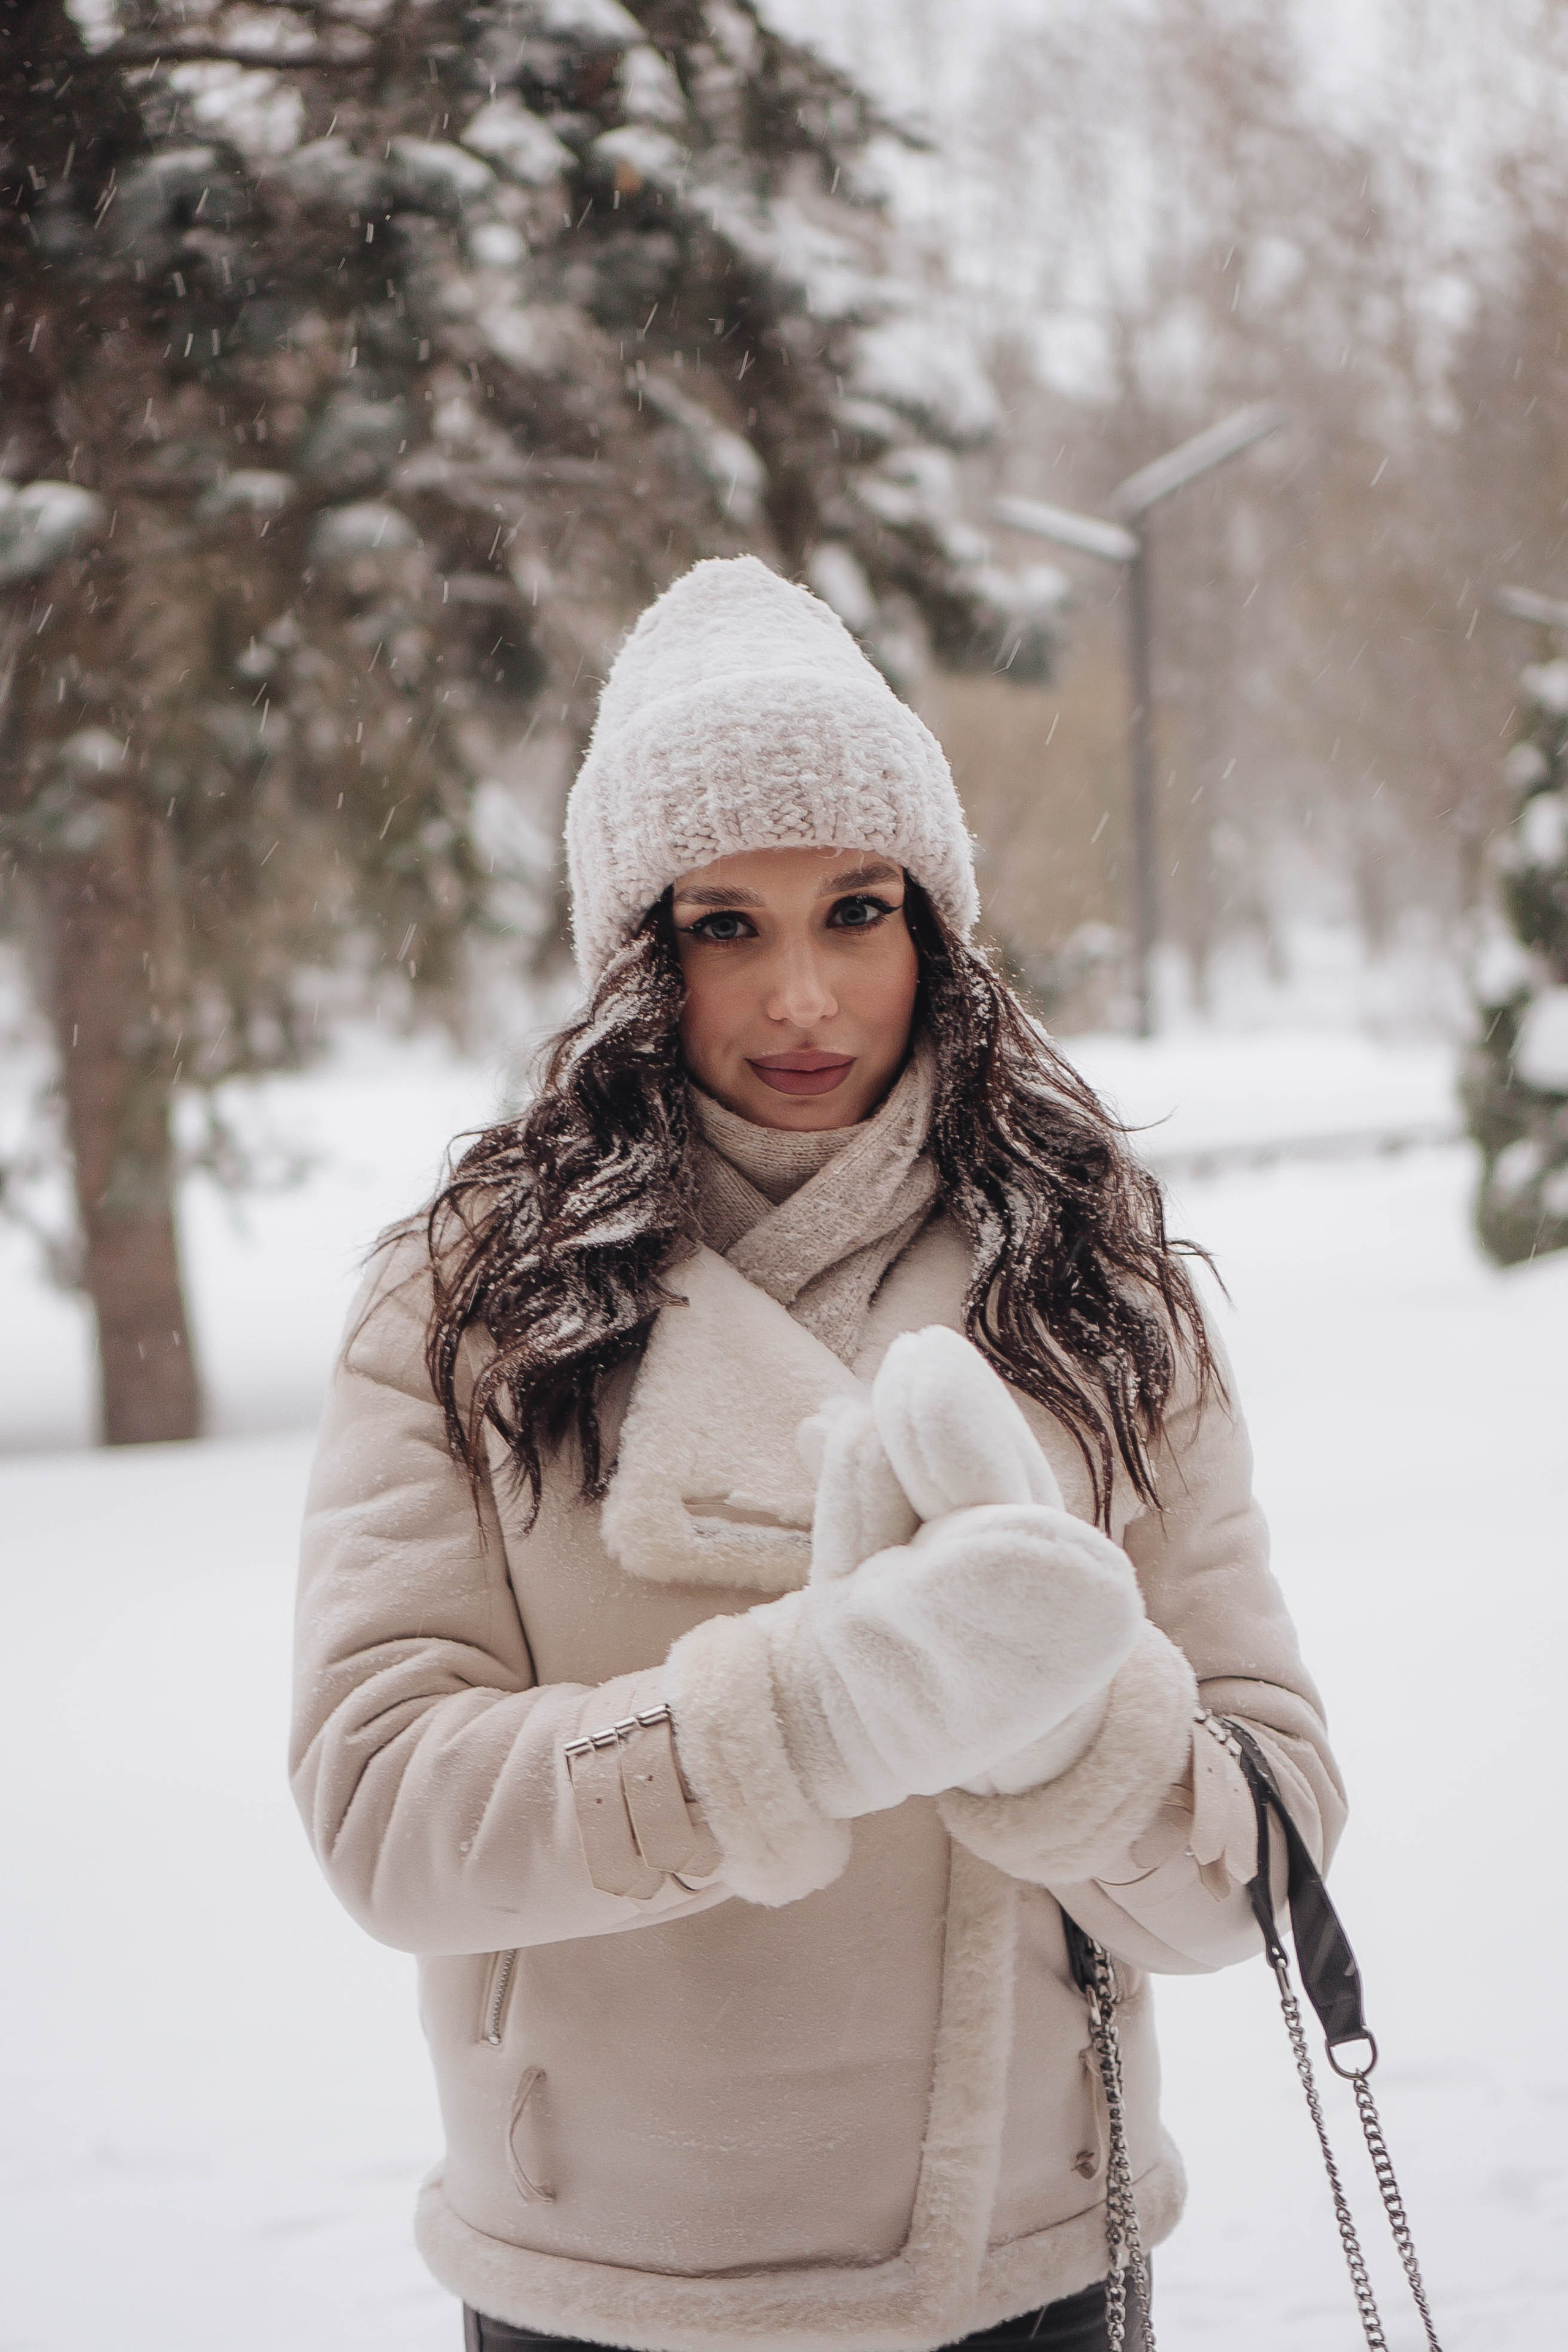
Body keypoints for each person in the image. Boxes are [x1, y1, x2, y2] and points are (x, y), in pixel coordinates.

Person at [291, 557, 1344, 2352]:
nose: (801, 997)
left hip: (1021, 2273)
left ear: (935, 926)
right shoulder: (469, 1297)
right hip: (605, 2279)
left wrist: (1064, 1734)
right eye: (727, 925)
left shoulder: (1088, 1281)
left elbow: (1275, 1840)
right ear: (638, 953)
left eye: (856, 911)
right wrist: (802, 1719)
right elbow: (387, 1809)